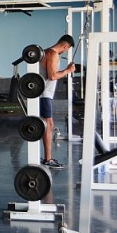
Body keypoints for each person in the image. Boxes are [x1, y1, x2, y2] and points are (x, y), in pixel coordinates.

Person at [39, 34, 75, 169]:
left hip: (44, 94)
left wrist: (65, 70)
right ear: (65, 46)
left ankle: (48, 157)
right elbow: (52, 76)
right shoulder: (52, 54)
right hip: (44, 94)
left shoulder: (47, 52)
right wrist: (68, 70)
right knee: (48, 124)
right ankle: (48, 159)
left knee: (48, 123)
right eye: (67, 49)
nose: (65, 51)